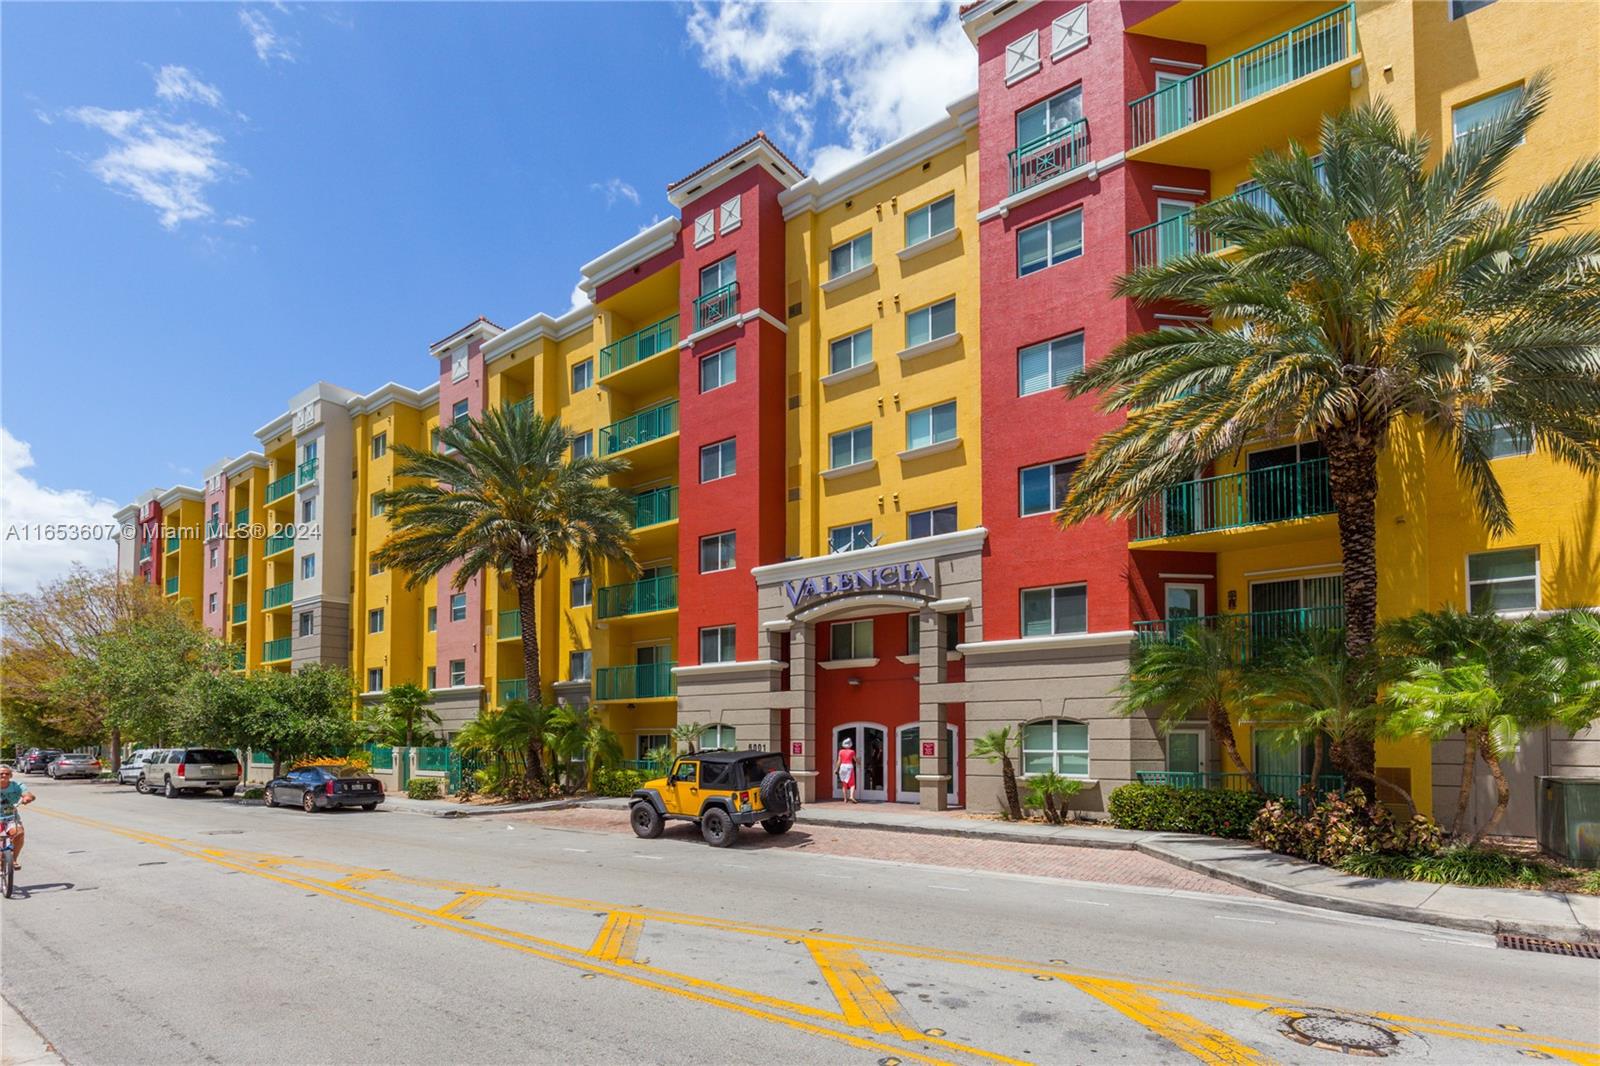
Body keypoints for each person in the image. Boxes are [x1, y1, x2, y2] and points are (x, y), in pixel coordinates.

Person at [0, 765, 36, 871]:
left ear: (10, 775)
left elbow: (29, 794)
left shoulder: (16, 785)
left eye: (7, 773)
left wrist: (27, 798)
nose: (4, 775)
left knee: (19, 833)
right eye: (1, 773)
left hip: (11, 818)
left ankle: (14, 859)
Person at [835, 737, 857, 803]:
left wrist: (836, 769)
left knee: (844, 784)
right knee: (852, 784)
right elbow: (855, 760)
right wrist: (859, 762)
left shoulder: (841, 751)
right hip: (849, 767)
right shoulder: (852, 751)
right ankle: (851, 796)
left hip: (842, 767)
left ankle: (845, 799)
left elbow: (839, 761)